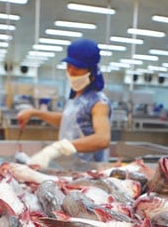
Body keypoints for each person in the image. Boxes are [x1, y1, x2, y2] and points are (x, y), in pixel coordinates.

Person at [16, 38, 111, 167]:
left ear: (91, 71)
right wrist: (34, 113)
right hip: (71, 167)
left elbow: (103, 139)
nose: (71, 72)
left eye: (77, 68)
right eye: (69, 66)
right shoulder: (77, 97)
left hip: (90, 170)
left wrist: (58, 148)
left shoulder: (99, 102)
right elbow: (69, 121)